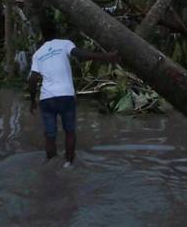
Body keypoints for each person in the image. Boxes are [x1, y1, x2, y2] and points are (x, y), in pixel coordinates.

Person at [27, 18, 119, 166]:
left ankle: (50, 166)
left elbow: (32, 79)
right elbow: (81, 55)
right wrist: (106, 57)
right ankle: (68, 165)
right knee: (69, 132)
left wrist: (32, 101)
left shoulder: (38, 53)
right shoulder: (65, 44)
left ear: (42, 35)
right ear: (56, 31)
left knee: (50, 136)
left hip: (47, 99)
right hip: (66, 96)